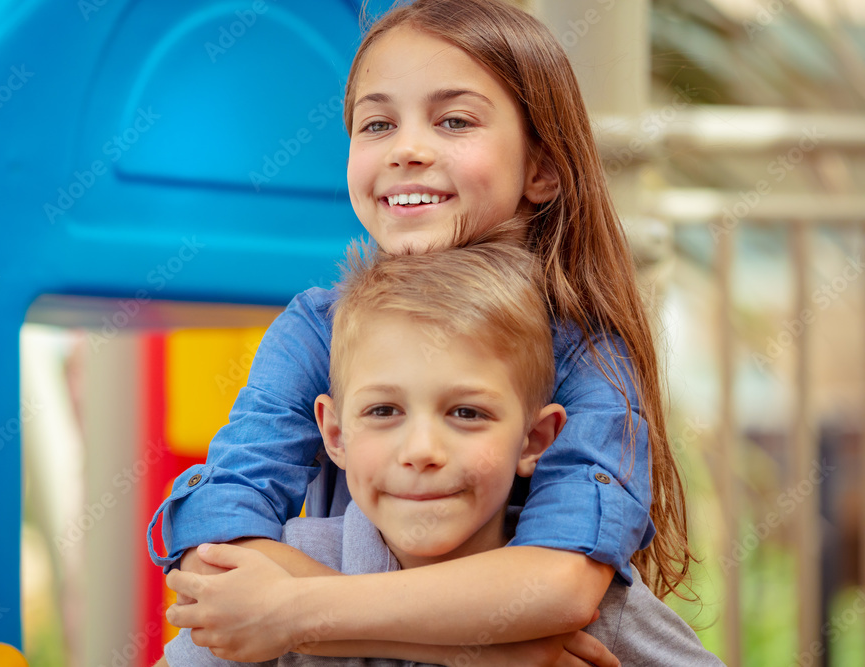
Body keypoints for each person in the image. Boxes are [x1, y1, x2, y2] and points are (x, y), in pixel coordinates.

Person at [147, 0, 696, 661]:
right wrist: (485, 654)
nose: (407, 148)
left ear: (542, 168)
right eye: (377, 123)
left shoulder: (581, 347)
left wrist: (296, 610)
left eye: (454, 120)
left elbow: (560, 585)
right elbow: (219, 539)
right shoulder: (317, 330)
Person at [157, 230, 721, 666]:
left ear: (537, 440)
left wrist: (298, 614)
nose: (422, 449)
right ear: (334, 434)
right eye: (383, 411)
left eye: (466, 413)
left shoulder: (603, 615)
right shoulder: (256, 586)